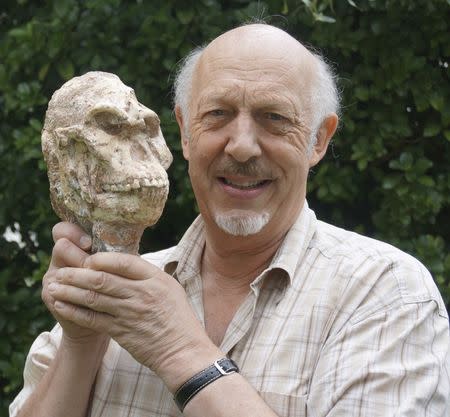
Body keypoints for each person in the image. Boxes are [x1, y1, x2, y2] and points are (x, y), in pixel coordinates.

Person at [10, 24, 450, 417]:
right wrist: (83, 343)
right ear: (183, 133)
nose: (241, 147)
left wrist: (181, 350)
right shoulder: (117, 290)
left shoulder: (387, 293)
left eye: (274, 118)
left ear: (319, 140)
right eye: (217, 114)